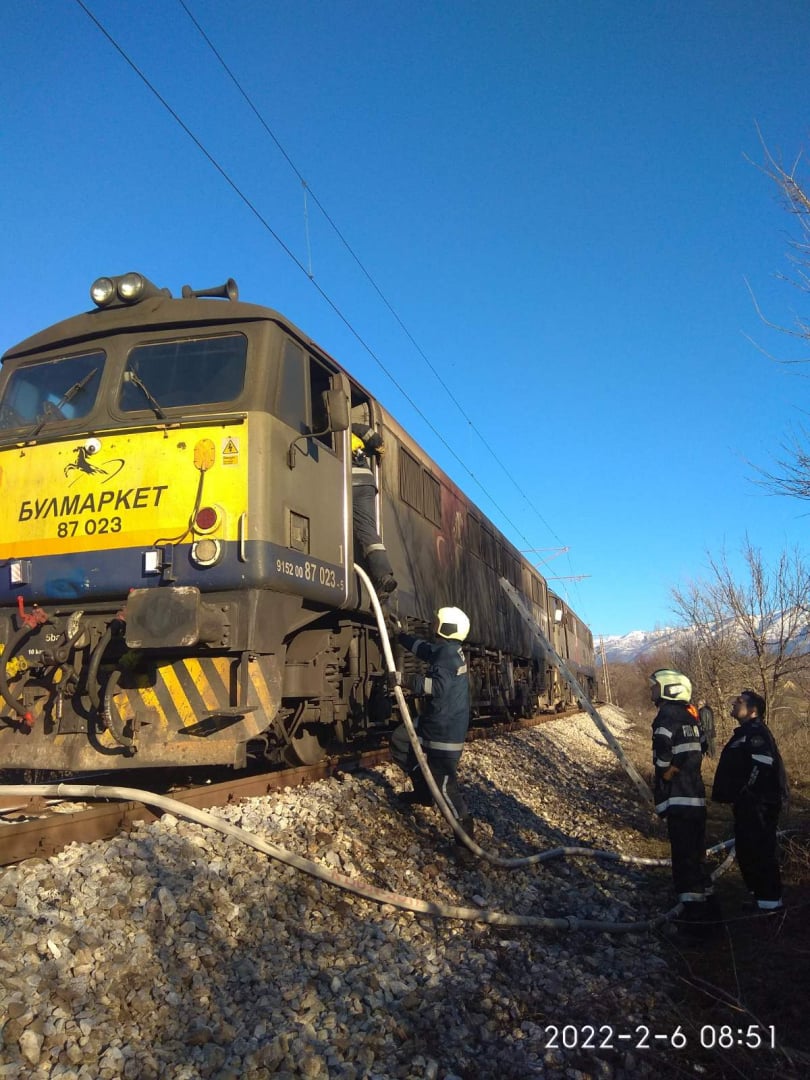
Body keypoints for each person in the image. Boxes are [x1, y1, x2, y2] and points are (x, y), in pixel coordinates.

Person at [389, 607, 474, 855]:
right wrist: (402, 636)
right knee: (401, 741)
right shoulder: (447, 650)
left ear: (446, 627)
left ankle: (465, 839)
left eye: (439, 622)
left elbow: (435, 687)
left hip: (445, 731)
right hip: (433, 722)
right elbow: (426, 651)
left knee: (445, 784)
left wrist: (402, 679)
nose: (435, 624)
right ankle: (424, 792)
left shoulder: (448, 654)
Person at [650, 668, 715, 926]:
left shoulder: (666, 717)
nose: (651, 690)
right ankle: (709, 905)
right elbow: (702, 748)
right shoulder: (691, 718)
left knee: (684, 860)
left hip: (678, 799)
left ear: (669, 688)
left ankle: (694, 921)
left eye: (655, 686)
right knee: (697, 856)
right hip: (695, 797)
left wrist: (666, 773)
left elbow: (663, 755)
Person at [712, 689, 787, 912]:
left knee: (760, 850)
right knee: (747, 850)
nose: (734, 703)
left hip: (760, 804)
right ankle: (759, 898)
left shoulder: (756, 733)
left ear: (753, 710)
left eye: (740, 701)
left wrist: (747, 792)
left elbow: (762, 764)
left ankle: (771, 906)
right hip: (748, 805)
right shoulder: (744, 732)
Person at [351, 423, 396, 597]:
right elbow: (374, 439)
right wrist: (379, 447)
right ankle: (383, 576)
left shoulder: (345, 426)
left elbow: (369, 434)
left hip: (348, 478)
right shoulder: (353, 432)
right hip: (366, 481)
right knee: (367, 530)